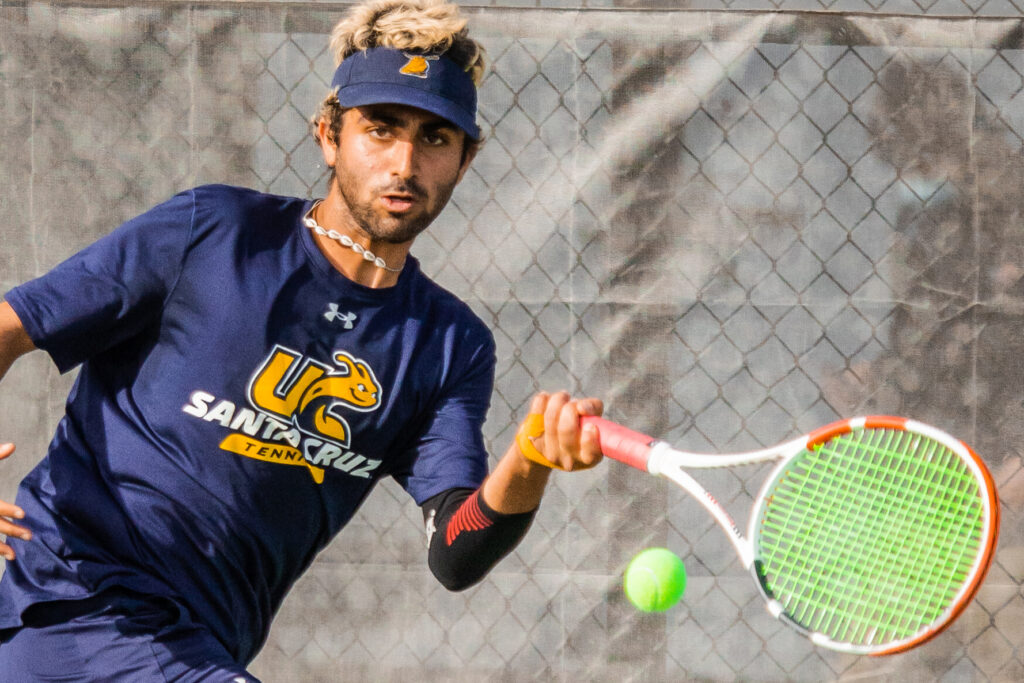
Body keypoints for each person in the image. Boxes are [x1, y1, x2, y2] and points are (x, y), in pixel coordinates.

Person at [0, 0, 603, 679]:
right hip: (66, 601)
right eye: (380, 129)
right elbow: (8, 327)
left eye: (435, 138)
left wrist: (530, 460)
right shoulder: (213, 232)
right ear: (328, 135)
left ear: (465, 161)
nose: (404, 162)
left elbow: (457, 550)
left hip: (197, 648)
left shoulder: (448, 344)